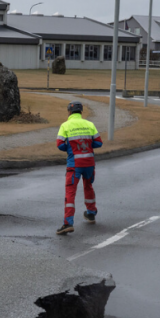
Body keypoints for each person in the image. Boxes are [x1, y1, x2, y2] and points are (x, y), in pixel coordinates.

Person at [55, 101, 103, 235]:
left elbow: (59, 144)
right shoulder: (89, 124)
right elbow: (99, 143)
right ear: (81, 112)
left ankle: (68, 223)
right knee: (88, 187)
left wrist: (70, 149)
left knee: (70, 192)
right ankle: (91, 213)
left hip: (74, 164)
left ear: (69, 112)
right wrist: (87, 146)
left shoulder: (65, 125)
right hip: (89, 163)